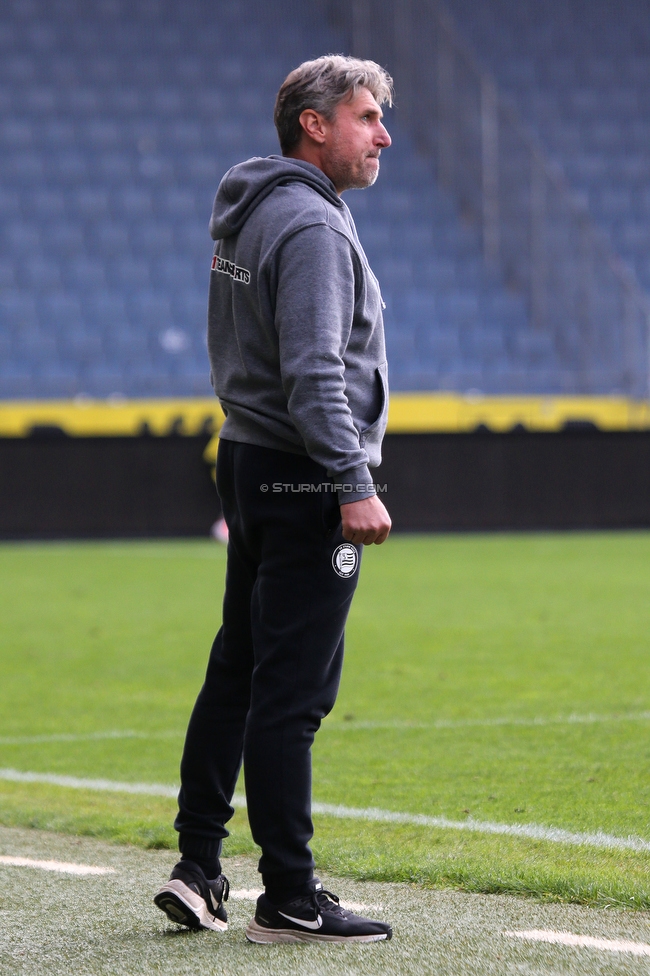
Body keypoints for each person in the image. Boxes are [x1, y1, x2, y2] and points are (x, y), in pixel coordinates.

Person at [154, 54, 394, 944]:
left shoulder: (251, 208)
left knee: (238, 668)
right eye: (367, 117)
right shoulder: (314, 229)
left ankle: (197, 864)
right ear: (314, 124)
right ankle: (290, 896)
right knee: (292, 692)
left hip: (248, 460)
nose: (384, 136)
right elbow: (315, 372)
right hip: (303, 476)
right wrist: (353, 483)